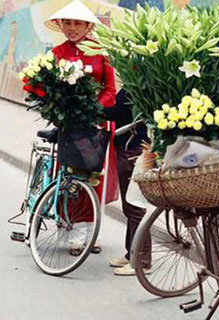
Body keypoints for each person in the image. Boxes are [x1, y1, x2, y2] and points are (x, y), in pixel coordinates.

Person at [45, 0, 119, 254]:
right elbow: (50, 89)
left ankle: (91, 233)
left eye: (78, 23)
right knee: (67, 176)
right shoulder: (56, 53)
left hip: (95, 125)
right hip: (69, 125)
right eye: (67, 23)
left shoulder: (101, 52)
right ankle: (70, 230)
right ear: (60, 25)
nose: (72, 28)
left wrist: (93, 109)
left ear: (88, 25)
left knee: (92, 176)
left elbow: (110, 90)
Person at [103, 89, 152, 276]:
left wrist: (94, 109)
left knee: (135, 208)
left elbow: (120, 113)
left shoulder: (137, 86)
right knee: (129, 207)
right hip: (127, 148)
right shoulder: (132, 83)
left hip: (133, 150)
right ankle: (131, 253)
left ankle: (142, 261)